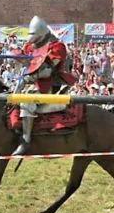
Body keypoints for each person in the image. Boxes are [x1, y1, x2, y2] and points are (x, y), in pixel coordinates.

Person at [12, 15, 76, 156]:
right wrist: (18, 56)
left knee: (27, 102)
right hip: (29, 82)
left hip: (49, 83)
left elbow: (48, 70)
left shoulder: (57, 46)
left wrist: (29, 77)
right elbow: (23, 55)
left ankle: (26, 140)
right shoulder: (31, 45)